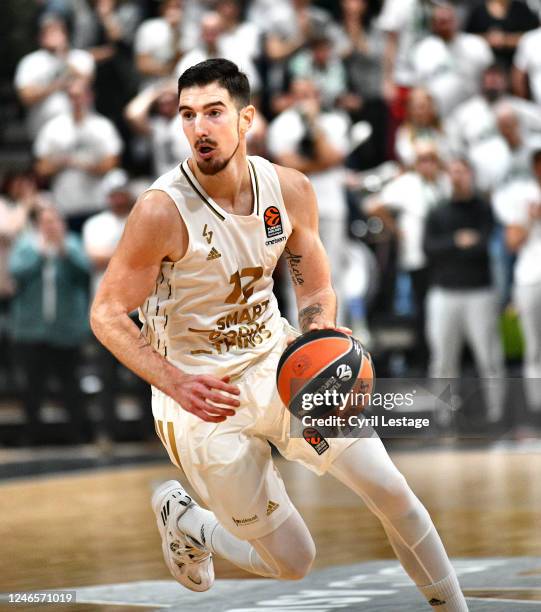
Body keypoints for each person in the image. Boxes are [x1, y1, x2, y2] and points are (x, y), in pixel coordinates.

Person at [90, 59, 468, 611]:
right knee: (293, 561)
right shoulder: (160, 211)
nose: (200, 128)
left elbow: (315, 292)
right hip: (199, 390)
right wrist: (173, 382)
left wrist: (317, 338)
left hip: (275, 360)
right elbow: (105, 314)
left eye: (214, 113)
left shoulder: (289, 189)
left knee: (391, 490)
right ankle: (190, 521)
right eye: (188, 115)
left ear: (246, 120)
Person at [424, 159, 505, 421]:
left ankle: (497, 415)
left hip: (479, 292)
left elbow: (485, 246)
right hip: (444, 292)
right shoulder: (438, 211)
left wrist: (455, 247)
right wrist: (458, 242)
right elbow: (429, 249)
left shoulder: (484, 209)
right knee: (443, 360)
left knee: (490, 358)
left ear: (471, 174)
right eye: (453, 172)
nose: (457, 177)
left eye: (462, 172)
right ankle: (443, 419)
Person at [9, 201, 90, 444]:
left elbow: (84, 272)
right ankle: (31, 435)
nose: (50, 226)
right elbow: (16, 272)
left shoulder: (72, 245)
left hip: (65, 330)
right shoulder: (27, 246)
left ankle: (77, 434)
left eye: (54, 221)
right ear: (37, 224)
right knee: (32, 386)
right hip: (31, 330)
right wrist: (39, 254)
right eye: (45, 222)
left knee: (70, 385)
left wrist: (63, 250)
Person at [34, 77, 123, 232]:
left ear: (89, 96)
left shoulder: (102, 126)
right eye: (72, 96)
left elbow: (112, 164)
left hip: (97, 204)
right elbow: (41, 168)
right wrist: (63, 162)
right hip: (64, 206)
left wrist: (87, 164)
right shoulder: (53, 128)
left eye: (80, 95)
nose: (76, 101)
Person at [493, 148, 541, 413]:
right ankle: (537, 411)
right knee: (534, 346)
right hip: (531, 277)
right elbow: (511, 242)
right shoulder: (524, 197)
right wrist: (530, 218)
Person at [14, 14, 95, 138]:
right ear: (40, 37)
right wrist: (57, 86)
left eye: (57, 31)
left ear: (66, 34)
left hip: (79, 132)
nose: (53, 36)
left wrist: (63, 56)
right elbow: (26, 97)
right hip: (43, 133)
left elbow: (85, 83)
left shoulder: (81, 57)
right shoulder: (30, 61)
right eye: (48, 32)